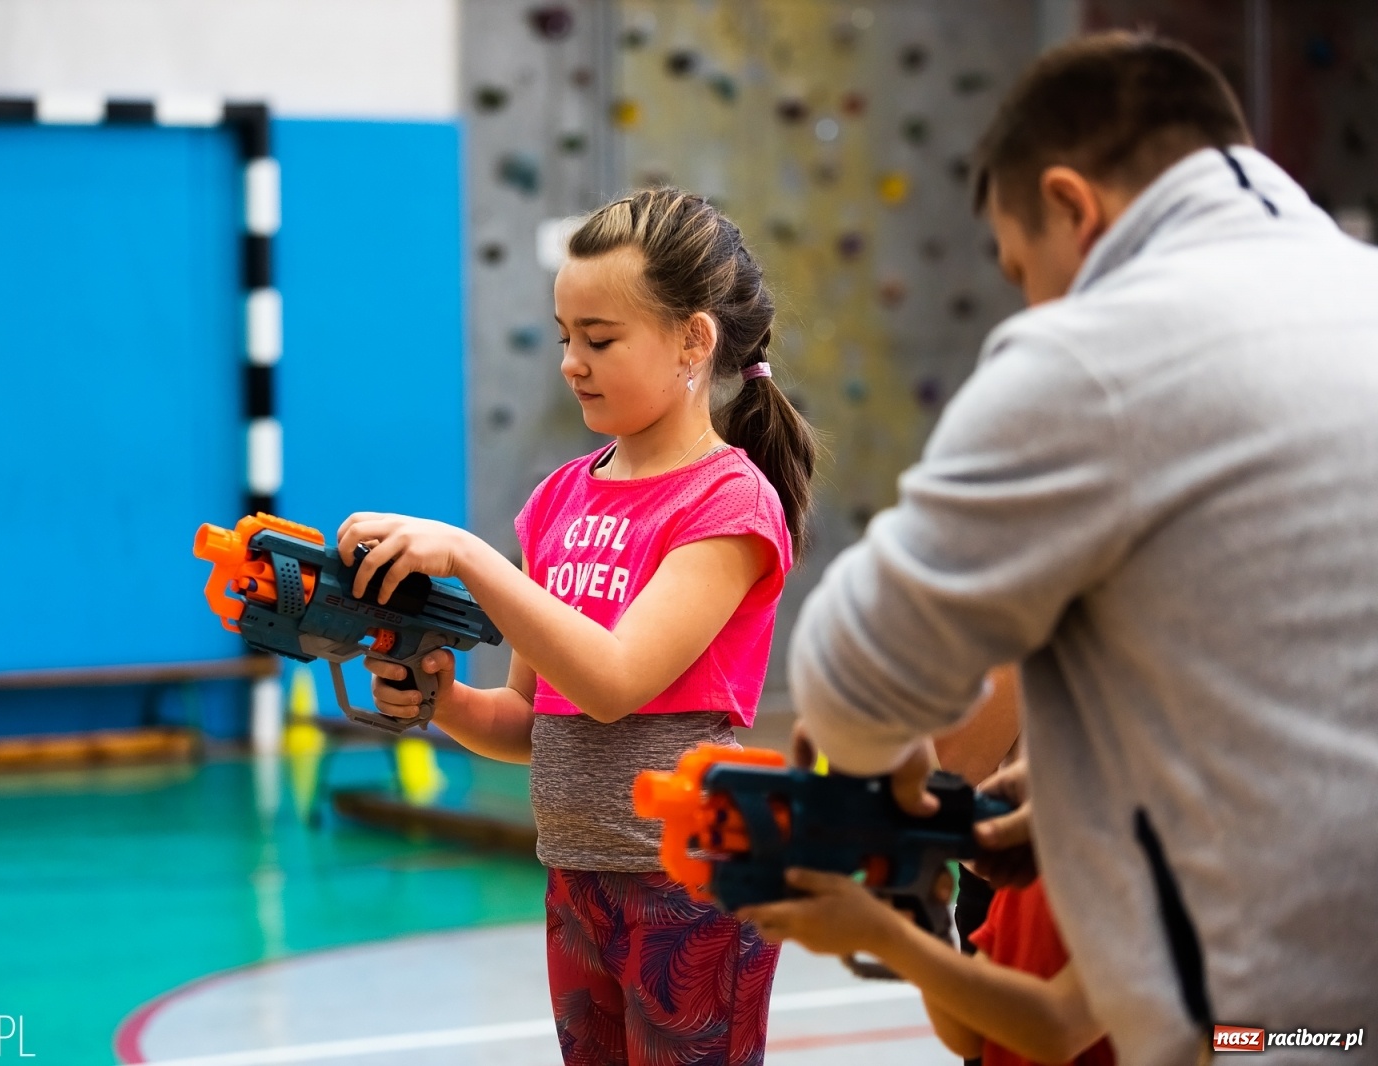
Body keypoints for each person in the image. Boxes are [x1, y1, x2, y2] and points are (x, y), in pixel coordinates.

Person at [780, 31, 1378, 1065]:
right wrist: (1069, 787)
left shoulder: (1103, 351)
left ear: (1071, 206)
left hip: (1287, 1022)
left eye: (1023, 270)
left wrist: (890, 776)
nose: (1032, 305)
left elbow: (851, 674)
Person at [335, 188, 819, 1065]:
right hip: (577, 878)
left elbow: (614, 680)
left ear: (692, 341)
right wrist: (441, 697)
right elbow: (532, 718)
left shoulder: (729, 502)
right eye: (565, 337)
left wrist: (470, 559)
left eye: (600, 339)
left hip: (692, 887)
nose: (571, 362)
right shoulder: (558, 499)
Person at [739, 857, 1114, 1065]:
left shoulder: (1141, 875)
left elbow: (1057, 1031)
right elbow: (970, 1038)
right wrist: (927, 931)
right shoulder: (1033, 874)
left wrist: (884, 935)